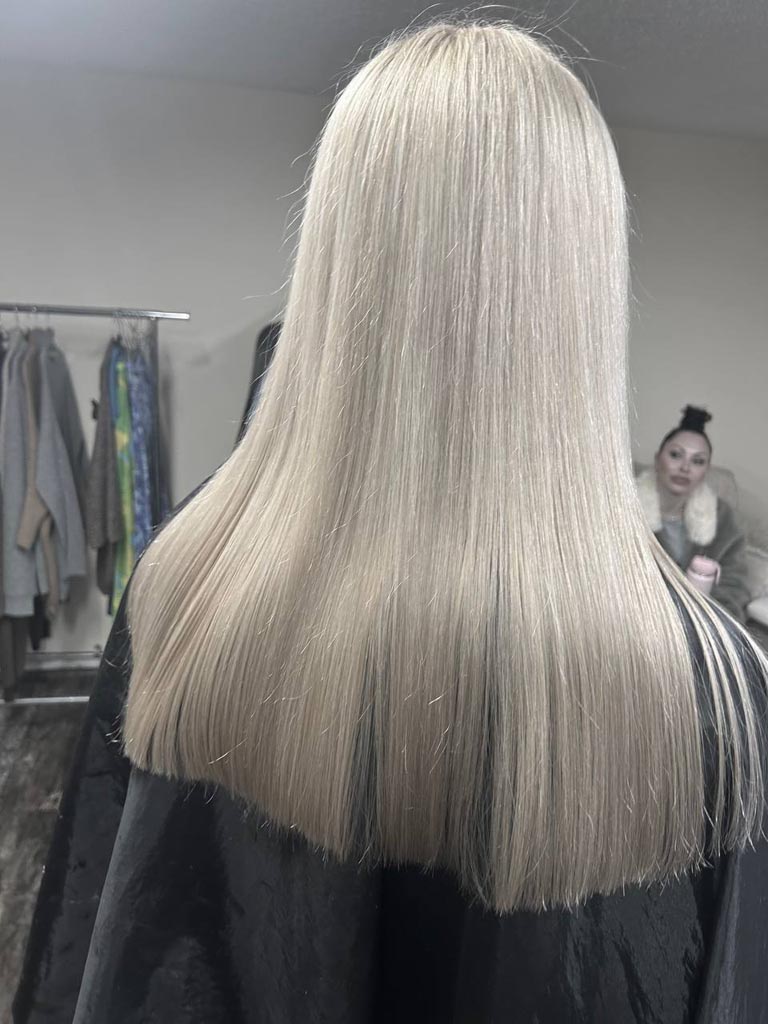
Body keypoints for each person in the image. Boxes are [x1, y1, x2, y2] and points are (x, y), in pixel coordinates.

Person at [14, 20, 768, 1024]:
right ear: (586, 275)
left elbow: (104, 940)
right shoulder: (705, 687)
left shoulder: (193, 583)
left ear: (336, 244)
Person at [636, 405, 751, 622]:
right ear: (658, 458)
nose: (685, 467)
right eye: (675, 455)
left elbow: (735, 584)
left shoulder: (721, 516)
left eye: (697, 461)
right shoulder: (626, 509)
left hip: (700, 624)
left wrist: (710, 623)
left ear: (706, 470)